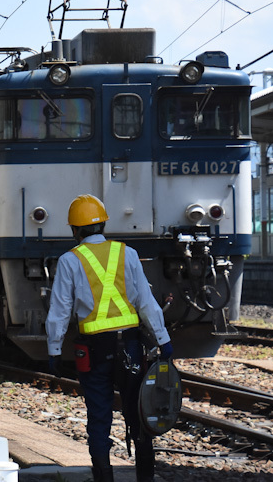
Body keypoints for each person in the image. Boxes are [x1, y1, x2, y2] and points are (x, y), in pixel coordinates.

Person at [46, 195, 173, 482]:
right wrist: (163, 340)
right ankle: (145, 478)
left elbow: (60, 310)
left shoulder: (69, 260)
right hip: (130, 346)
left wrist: (54, 349)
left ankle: (104, 476)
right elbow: (146, 302)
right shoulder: (127, 253)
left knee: (99, 416)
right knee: (138, 412)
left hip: (93, 350)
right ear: (103, 223)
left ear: (75, 231)